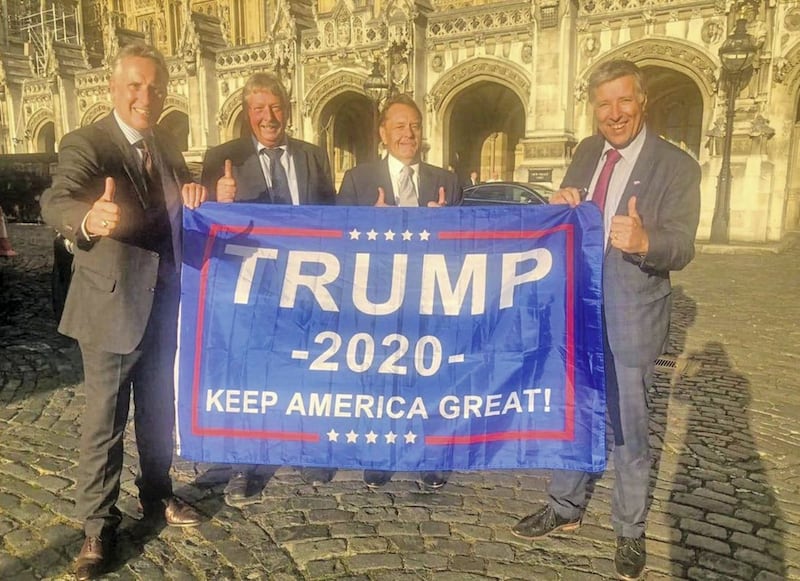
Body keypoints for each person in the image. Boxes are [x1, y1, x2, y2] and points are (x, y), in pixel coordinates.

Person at [511, 59, 701, 580]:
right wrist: (559, 202)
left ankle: (630, 530)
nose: (614, 113)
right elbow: (564, 214)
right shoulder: (588, 151)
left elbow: (683, 246)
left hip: (631, 315)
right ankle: (565, 505)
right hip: (575, 310)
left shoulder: (677, 167)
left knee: (629, 427)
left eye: (623, 101)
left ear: (642, 102)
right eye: (603, 103)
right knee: (572, 412)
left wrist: (645, 242)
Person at [40, 42, 206, 581]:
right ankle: (96, 527)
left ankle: (158, 495)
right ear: (113, 88)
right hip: (112, 305)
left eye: (154, 86)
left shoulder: (168, 145)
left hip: (164, 303)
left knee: (159, 411)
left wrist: (206, 192)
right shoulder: (87, 142)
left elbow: (183, 200)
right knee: (104, 422)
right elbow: (56, 199)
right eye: (134, 85)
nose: (145, 95)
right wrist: (89, 217)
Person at [182, 72, 337, 502]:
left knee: (308, 365)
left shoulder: (313, 155)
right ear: (247, 114)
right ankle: (246, 464)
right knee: (251, 373)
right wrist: (220, 198)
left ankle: (309, 448)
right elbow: (206, 217)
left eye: (275, 107)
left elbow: (334, 215)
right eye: (259, 109)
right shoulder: (222, 156)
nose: (269, 117)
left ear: (286, 109)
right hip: (250, 286)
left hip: (309, 285)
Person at [337, 93, 462, 490]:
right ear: (383, 133)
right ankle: (379, 452)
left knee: (430, 377)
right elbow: (337, 241)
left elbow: (468, 248)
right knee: (380, 377)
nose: (409, 134)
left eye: (415, 126)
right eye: (399, 126)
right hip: (377, 300)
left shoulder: (447, 180)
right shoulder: (358, 179)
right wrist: (366, 224)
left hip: (430, 300)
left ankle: (432, 454)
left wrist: (447, 227)